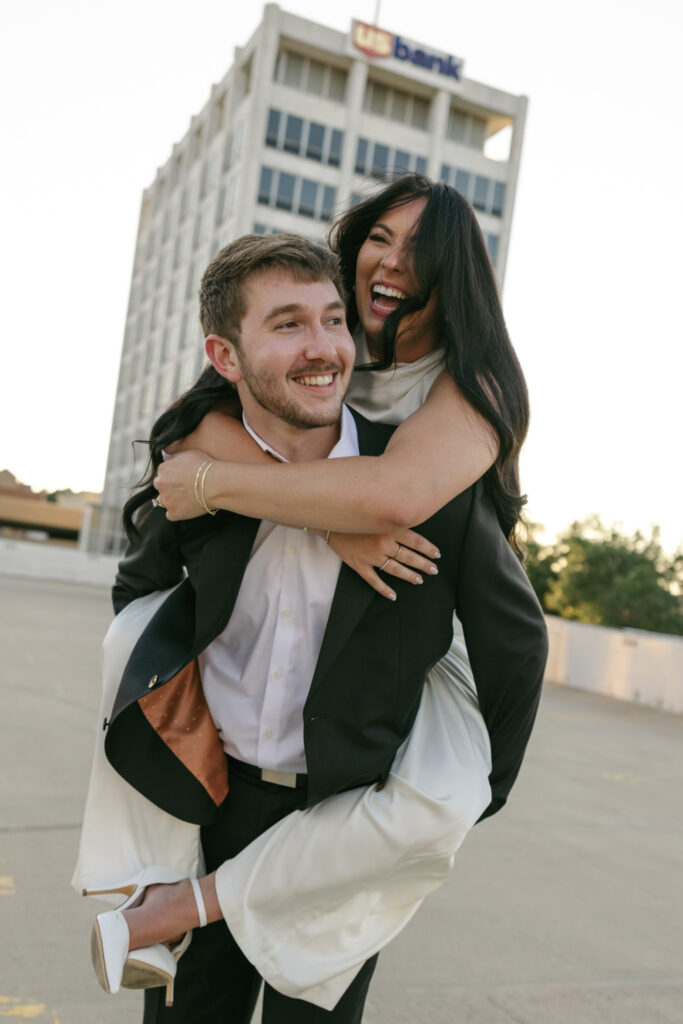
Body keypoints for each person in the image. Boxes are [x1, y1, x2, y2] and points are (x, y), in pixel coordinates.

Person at [74, 179, 547, 1022]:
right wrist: (314, 513)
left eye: (418, 250)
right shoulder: (300, 354)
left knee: (431, 808)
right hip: (224, 787)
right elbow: (189, 453)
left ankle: (174, 906)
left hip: (403, 706)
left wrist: (495, 776)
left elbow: (399, 496)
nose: (390, 262)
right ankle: (159, 887)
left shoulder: (473, 392)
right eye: (380, 237)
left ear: (453, 278)